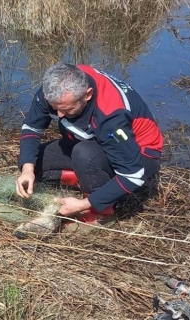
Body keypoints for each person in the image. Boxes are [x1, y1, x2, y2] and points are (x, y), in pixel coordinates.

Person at [15, 63, 163, 231]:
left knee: (85, 154)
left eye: (67, 109)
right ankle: (85, 180)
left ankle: (102, 212)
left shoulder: (111, 115)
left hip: (139, 154)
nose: (60, 115)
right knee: (36, 160)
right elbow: (32, 127)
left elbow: (133, 175)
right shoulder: (56, 86)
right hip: (91, 141)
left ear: (87, 95)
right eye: (55, 108)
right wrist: (27, 169)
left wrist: (82, 205)